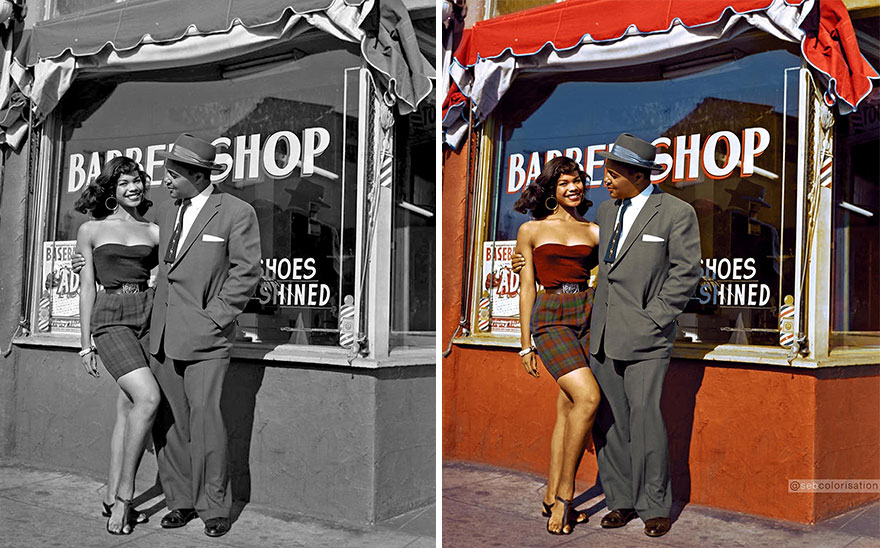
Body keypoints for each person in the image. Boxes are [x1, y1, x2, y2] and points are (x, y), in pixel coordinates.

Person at [149, 133, 261, 538]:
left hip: (207, 339)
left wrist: (215, 318)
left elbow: (247, 272)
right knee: (170, 424)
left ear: (197, 175)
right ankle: (179, 500)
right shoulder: (164, 211)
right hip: (161, 335)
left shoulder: (236, 211)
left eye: (173, 173)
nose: (166, 180)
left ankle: (214, 506)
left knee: (207, 422)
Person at [590, 133, 701, 538]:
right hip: (602, 335)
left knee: (647, 421)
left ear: (638, 176)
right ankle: (619, 500)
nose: (606, 179)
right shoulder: (604, 211)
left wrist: (655, 318)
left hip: (648, 339)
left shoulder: (675, 212)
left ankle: (654, 505)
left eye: (613, 173)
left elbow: (686, 271)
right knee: (610, 422)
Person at [513, 156, 601, 535]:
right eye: (564, 182)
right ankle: (566, 498)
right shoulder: (531, 230)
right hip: (551, 315)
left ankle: (550, 495)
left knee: (567, 407)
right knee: (589, 399)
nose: (573, 187)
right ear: (552, 190)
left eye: (578, 180)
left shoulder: (595, 230)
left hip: (588, 311)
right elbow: (526, 287)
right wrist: (524, 344)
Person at [74, 156, 161, 535]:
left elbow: (162, 275)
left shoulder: (155, 231)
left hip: (148, 313)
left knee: (127, 407)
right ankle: (125, 499)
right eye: (124, 182)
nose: (134, 187)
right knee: (148, 399)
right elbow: (85, 287)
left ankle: (110, 494)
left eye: (137, 180)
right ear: (111, 190)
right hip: (110, 316)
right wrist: (84, 343)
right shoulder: (91, 230)